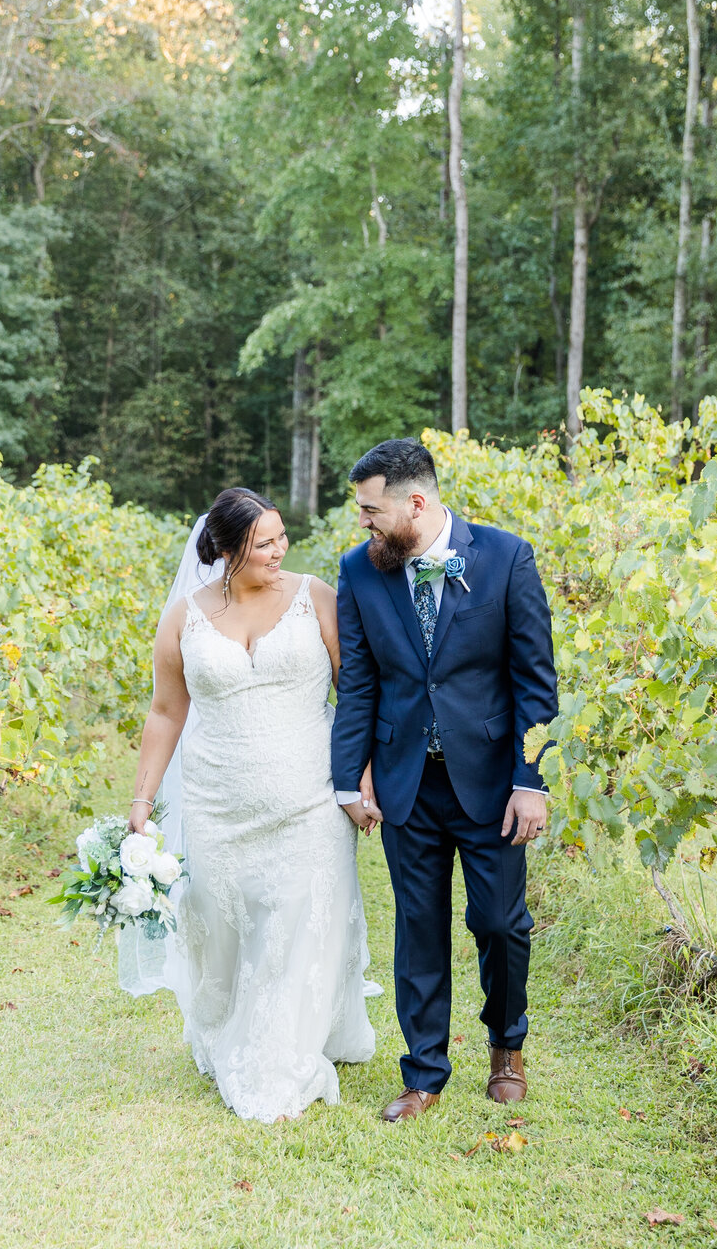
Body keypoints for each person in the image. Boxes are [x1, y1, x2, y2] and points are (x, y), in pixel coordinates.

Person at [126, 487, 377, 1123]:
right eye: (263, 542)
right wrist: (142, 799)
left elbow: (357, 693)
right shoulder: (184, 617)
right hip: (217, 803)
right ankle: (228, 1027)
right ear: (228, 550)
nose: (279, 549)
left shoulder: (315, 596)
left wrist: (362, 777)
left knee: (298, 929)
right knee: (227, 931)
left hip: (310, 799)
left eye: (280, 537)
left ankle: (277, 1058)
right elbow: (165, 711)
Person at [331, 439, 559, 1122]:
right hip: (407, 782)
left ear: (416, 504)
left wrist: (532, 780)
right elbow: (360, 685)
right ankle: (424, 1072)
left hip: (493, 783)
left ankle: (506, 1046)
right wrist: (350, 780)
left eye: (372, 510)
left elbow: (535, 681)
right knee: (418, 928)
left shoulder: (505, 558)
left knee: (500, 923)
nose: (364, 523)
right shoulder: (360, 572)